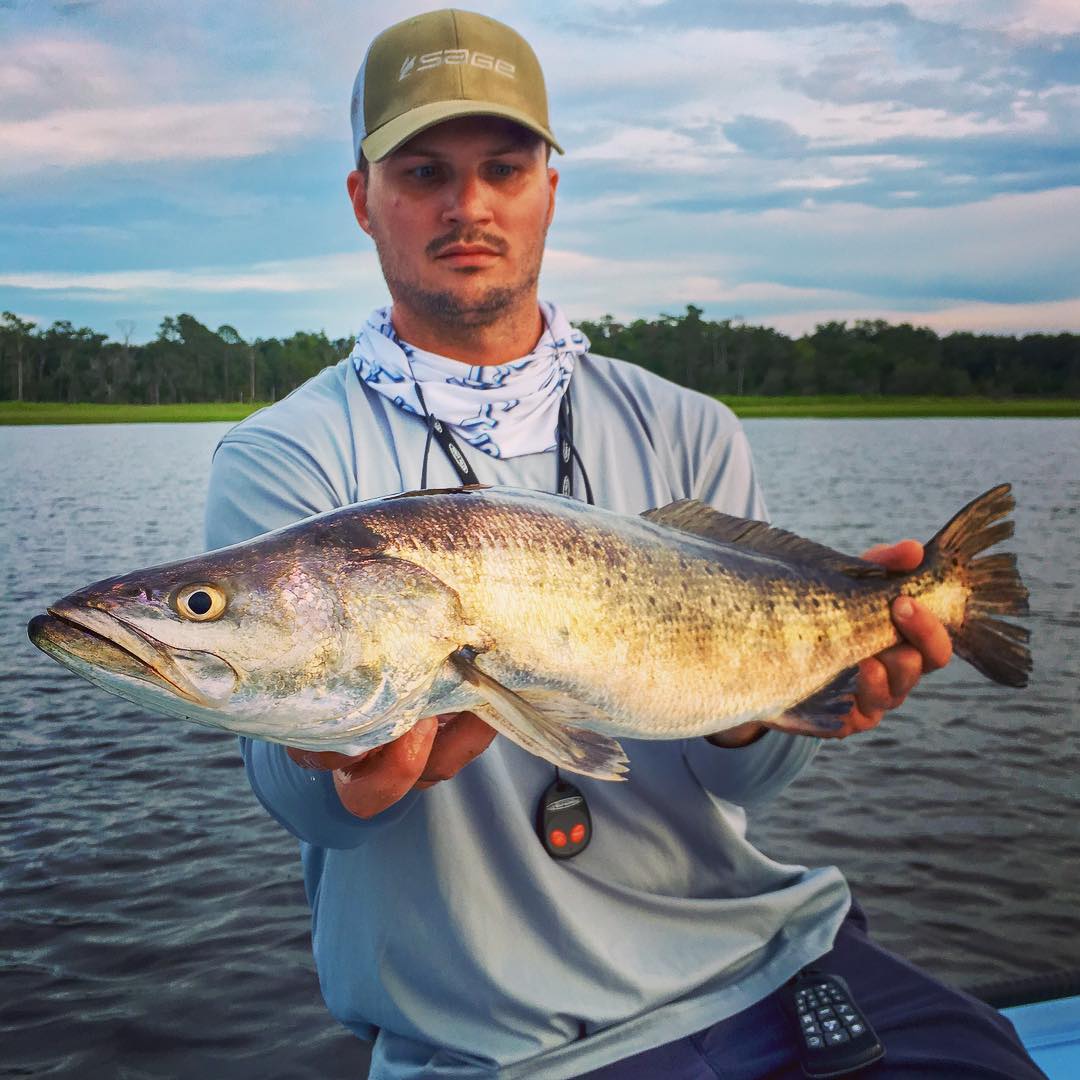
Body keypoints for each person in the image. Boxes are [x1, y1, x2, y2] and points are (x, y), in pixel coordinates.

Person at [204, 10, 1045, 1078]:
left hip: (770, 960)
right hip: (501, 1039)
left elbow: (741, 785)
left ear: (550, 186)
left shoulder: (689, 425)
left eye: (503, 167)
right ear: (363, 198)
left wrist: (803, 692)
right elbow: (295, 793)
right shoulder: (284, 457)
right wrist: (350, 774)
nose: (468, 205)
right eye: (423, 171)